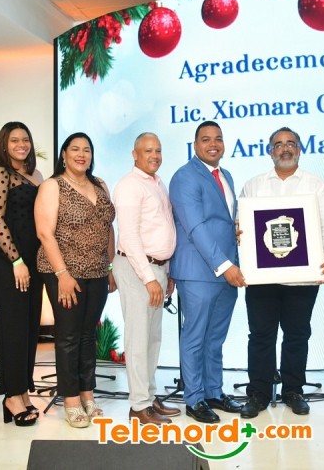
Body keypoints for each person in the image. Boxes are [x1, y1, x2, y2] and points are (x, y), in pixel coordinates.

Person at [239, 127, 324, 418]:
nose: (285, 149)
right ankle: (258, 393)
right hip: (261, 279)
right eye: (278, 144)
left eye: (290, 144)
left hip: (303, 278)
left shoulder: (317, 185)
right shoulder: (253, 186)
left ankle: (293, 391)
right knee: (261, 336)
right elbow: (242, 229)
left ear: (299, 149)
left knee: (297, 335)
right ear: (270, 151)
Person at [35, 132, 116, 428]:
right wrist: (63, 274)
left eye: (87, 150)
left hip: (97, 271)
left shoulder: (100, 185)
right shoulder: (52, 186)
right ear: (64, 154)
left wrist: (110, 266)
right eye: (75, 149)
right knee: (68, 337)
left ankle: (87, 394)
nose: (81, 154)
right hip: (63, 272)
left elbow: (107, 226)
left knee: (87, 335)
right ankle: (70, 399)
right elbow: (44, 233)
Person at [169, 121, 245, 423]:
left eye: (218, 139)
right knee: (195, 337)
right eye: (205, 139)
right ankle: (194, 398)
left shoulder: (226, 175)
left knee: (215, 338)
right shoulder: (185, 177)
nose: (213, 144)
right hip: (200, 271)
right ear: (195, 144)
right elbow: (196, 228)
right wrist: (225, 266)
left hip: (227, 271)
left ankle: (214, 391)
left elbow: (224, 222)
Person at [112, 132, 180, 425]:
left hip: (157, 269)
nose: (154, 155)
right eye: (148, 150)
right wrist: (149, 278)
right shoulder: (129, 186)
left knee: (152, 338)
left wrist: (166, 271)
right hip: (137, 269)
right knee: (138, 339)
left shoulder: (157, 183)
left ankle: (149, 398)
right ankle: (138, 406)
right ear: (134, 154)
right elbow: (129, 237)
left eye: (158, 150)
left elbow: (163, 229)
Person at [0, 121, 43, 426]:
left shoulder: (36, 175)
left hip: (32, 261)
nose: (21, 145)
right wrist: (17, 261)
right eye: (15, 140)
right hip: (8, 261)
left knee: (29, 328)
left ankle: (23, 391)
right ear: (4, 144)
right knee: (13, 329)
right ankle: (11, 396)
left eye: (25, 139)